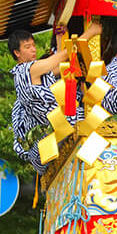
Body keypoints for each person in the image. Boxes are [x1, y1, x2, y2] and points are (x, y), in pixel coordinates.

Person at [9, 24, 96, 173]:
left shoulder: (34, 73)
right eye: (28, 47)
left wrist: (59, 38)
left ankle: (90, 166)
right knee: (96, 119)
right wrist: (91, 32)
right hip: (48, 139)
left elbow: (62, 68)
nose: (33, 49)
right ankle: (94, 166)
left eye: (33, 45)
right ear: (17, 52)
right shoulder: (26, 70)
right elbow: (62, 57)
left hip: (51, 138)